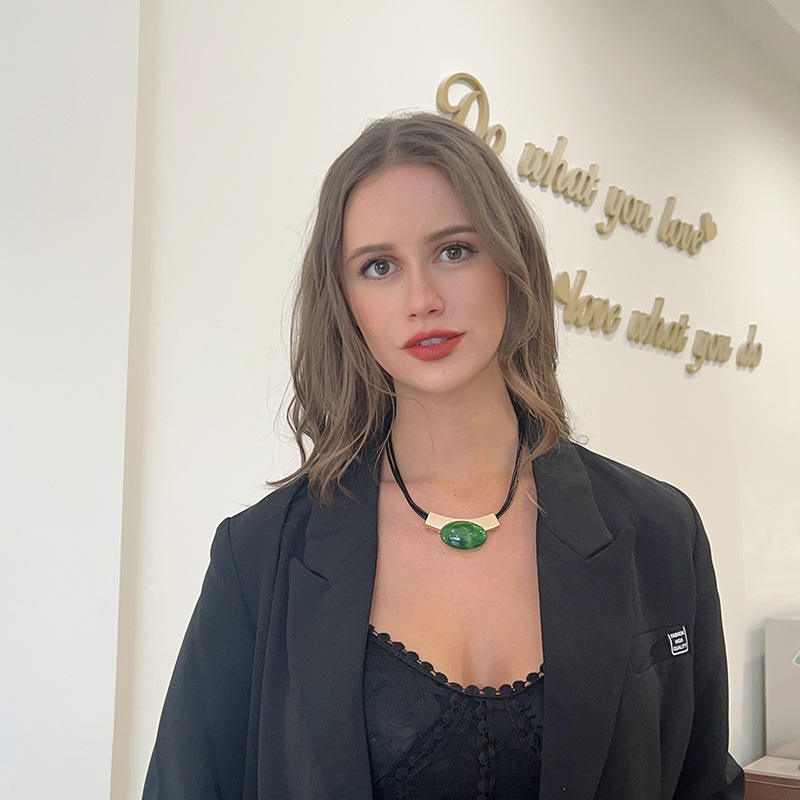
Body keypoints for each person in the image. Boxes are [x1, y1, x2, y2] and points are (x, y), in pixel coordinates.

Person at [142, 112, 744, 799]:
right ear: (345, 302)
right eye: (379, 267)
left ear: (512, 264)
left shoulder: (659, 531)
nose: (422, 299)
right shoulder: (260, 555)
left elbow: (703, 783)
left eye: (454, 251)